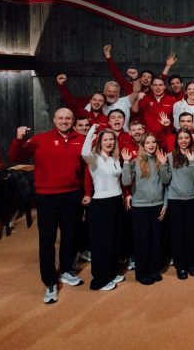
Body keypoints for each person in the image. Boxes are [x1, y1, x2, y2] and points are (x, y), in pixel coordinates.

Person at [9, 108, 87, 303]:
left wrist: (86, 192)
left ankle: (67, 270)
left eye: (68, 118)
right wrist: (18, 138)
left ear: (73, 120)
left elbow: (86, 169)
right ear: (54, 120)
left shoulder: (81, 139)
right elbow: (15, 157)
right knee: (47, 240)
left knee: (70, 235)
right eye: (60, 118)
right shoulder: (39, 139)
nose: (64, 121)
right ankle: (50, 281)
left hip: (72, 195)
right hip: (47, 197)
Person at [121, 133, 169, 285]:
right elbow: (126, 181)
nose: (151, 145)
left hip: (157, 205)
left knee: (156, 240)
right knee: (142, 240)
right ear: (142, 145)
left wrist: (165, 204)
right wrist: (126, 163)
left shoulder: (160, 160)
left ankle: (154, 269)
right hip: (140, 206)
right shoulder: (135, 161)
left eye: (153, 142)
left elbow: (167, 182)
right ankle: (142, 272)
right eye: (147, 142)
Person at [80, 123, 124, 291]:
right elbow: (83, 152)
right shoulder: (93, 158)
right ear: (99, 141)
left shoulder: (114, 158)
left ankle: (111, 272)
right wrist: (92, 131)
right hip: (100, 204)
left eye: (111, 139)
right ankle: (99, 280)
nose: (109, 142)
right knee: (101, 243)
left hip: (115, 201)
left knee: (113, 239)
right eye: (105, 139)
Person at [162, 129, 194, 280]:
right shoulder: (170, 157)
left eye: (186, 138)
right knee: (178, 235)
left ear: (190, 140)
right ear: (176, 140)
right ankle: (180, 266)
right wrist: (164, 165)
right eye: (181, 138)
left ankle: (191, 264)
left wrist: (191, 162)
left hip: (192, 199)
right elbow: (165, 180)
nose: (184, 141)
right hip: (175, 200)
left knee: (192, 234)